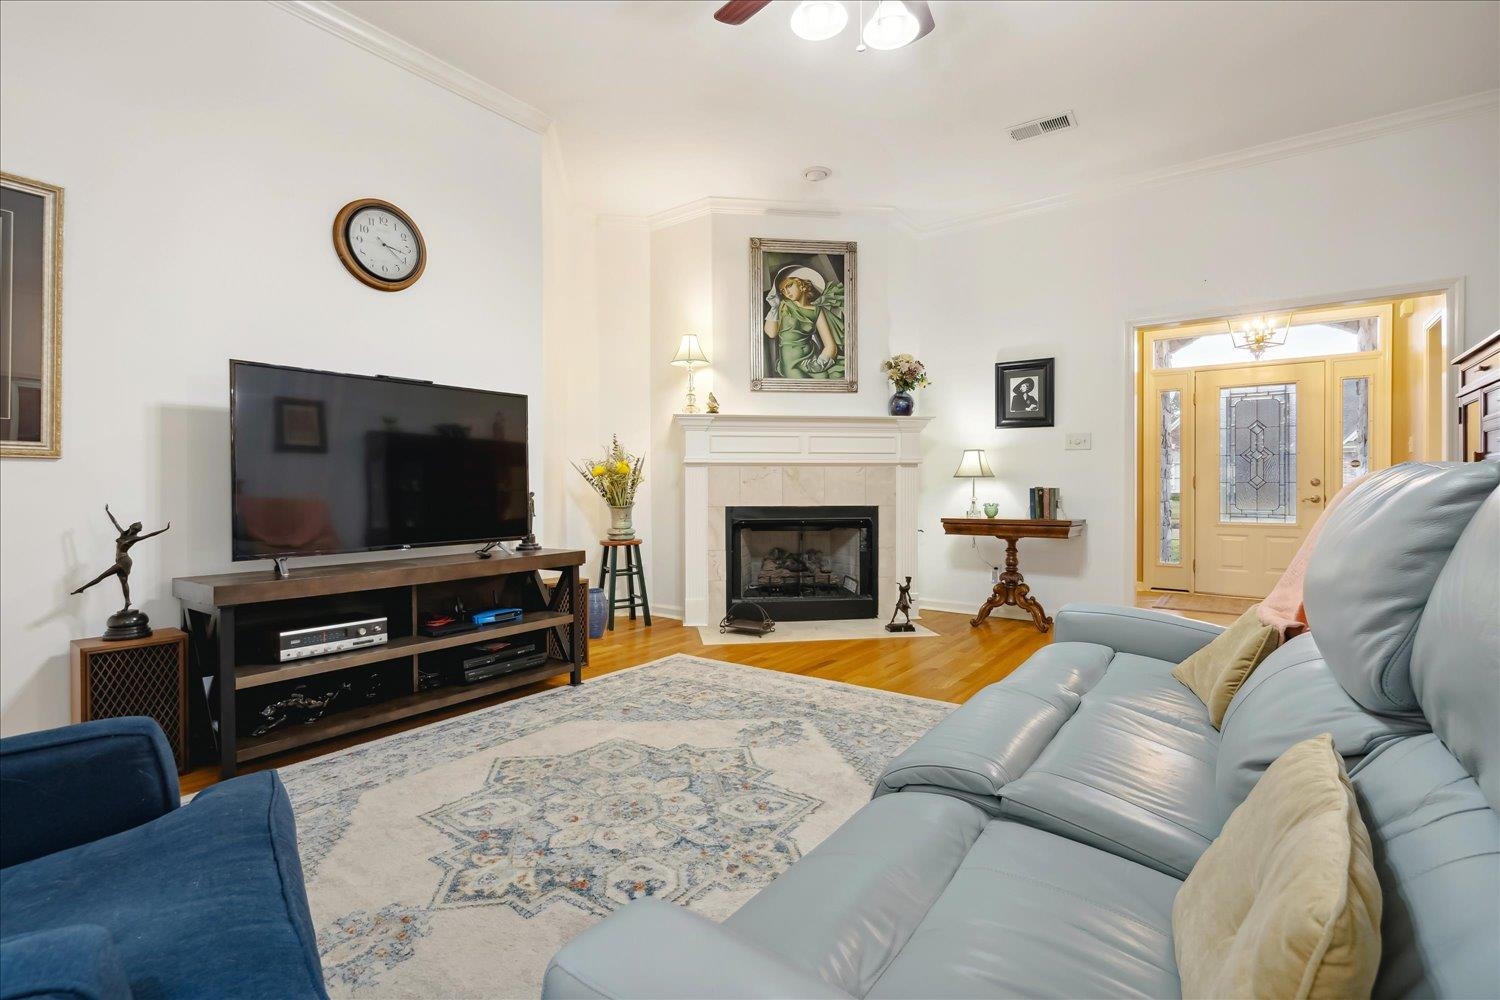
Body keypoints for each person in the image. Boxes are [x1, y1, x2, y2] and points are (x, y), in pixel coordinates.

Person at [71, 505, 171, 610]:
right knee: (124, 582)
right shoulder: (123, 533)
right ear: (131, 527)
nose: (135, 531)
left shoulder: (135, 538)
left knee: (101, 577)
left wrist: (165, 529)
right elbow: (115, 522)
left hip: (124, 561)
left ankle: (82, 588)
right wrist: (108, 511)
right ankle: (127, 602)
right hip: (121, 560)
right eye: (134, 528)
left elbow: (150, 535)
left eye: (137, 530)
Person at [763, 266, 846, 380]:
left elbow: (830, 345)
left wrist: (819, 364)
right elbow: (771, 333)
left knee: (825, 379)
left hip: (812, 360)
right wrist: (774, 308)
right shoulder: (783, 306)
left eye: (789, 285)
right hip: (791, 364)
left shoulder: (817, 310)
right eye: (782, 290)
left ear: (802, 284)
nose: (786, 292)